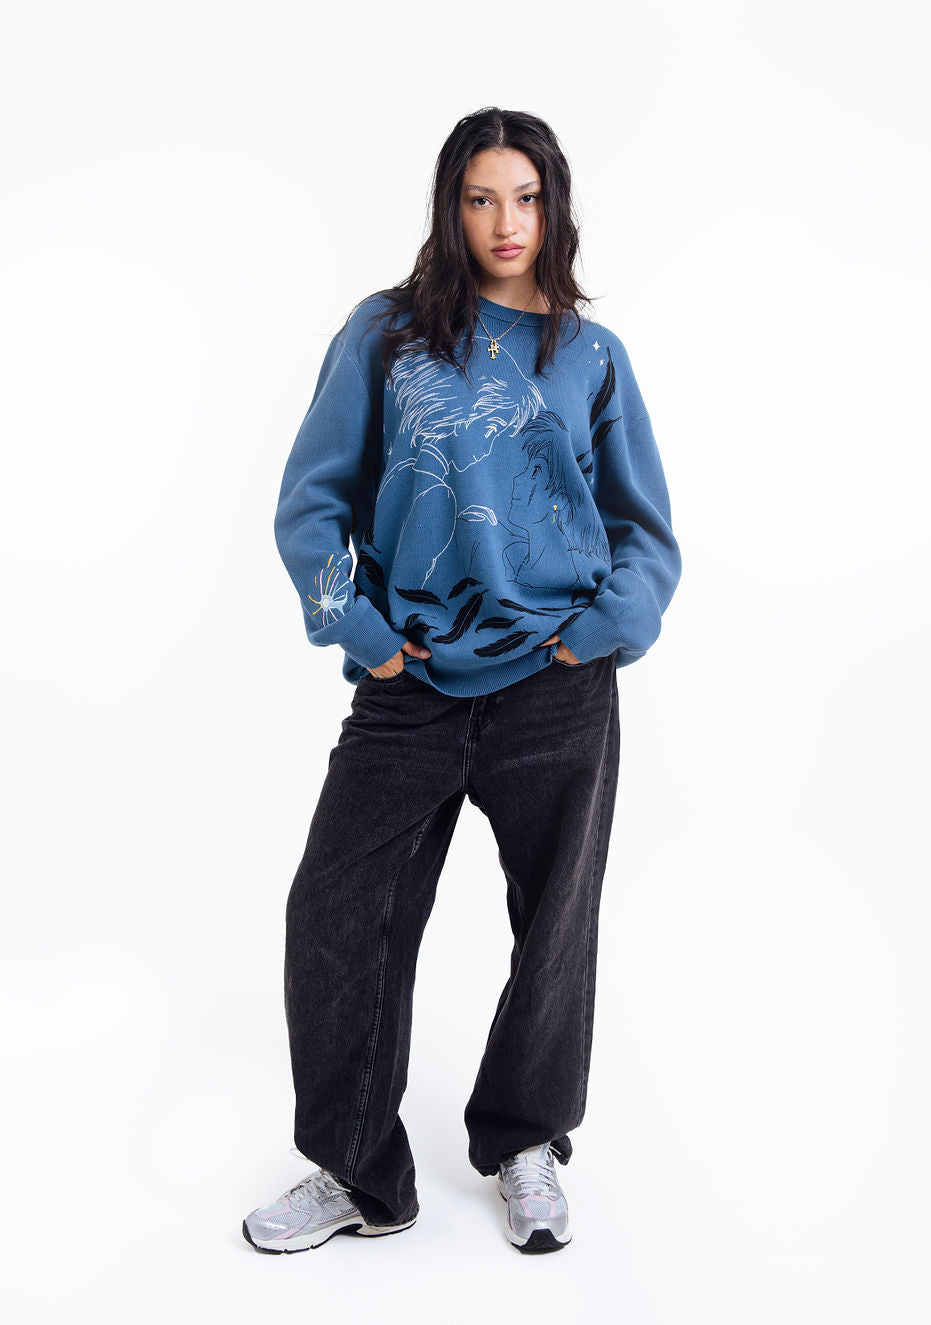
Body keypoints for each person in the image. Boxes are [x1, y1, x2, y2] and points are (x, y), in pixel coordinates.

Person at [243, 106, 682, 1256]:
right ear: (450, 207)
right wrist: (363, 629)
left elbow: (642, 528)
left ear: (554, 207)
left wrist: (601, 630)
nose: (505, 221)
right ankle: (357, 1169)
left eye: (525, 197)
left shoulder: (589, 354)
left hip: (556, 683)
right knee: (337, 910)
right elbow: (312, 498)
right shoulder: (384, 334)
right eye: (481, 197)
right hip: (412, 681)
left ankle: (526, 1139)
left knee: (555, 924)